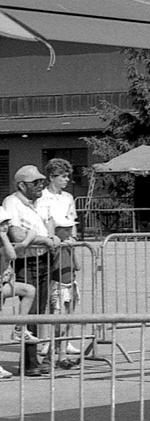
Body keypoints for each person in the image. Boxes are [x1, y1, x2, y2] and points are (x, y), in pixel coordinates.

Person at [2, 166, 70, 371]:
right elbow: (16, 234)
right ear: (22, 185)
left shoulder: (43, 202)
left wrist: (50, 240)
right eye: (35, 183)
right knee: (29, 311)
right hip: (25, 261)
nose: (40, 185)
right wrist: (46, 240)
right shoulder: (12, 203)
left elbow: (49, 224)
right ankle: (30, 363)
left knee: (39, 311)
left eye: (41, 181)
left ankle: (34, 361)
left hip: (44, 260)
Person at [37, 158, 80, 324]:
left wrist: (73, 240)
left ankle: (63, 338)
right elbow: (43, 222)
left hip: (66, 247)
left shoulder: (68, 197)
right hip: (48, 247)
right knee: (51, 294)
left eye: (67, 176)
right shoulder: (41, 198)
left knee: (68, 293)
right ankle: (48, 339)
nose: (67, 180)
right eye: (63, 176)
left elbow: (72, 220)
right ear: (52, 177)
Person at [0, 212, 39, 378]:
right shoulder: (3, 241)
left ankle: (19, 328)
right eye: (2, 224)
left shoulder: (6, 239)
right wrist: (3, 236)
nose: (5, 226)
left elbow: (33, 232)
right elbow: (12, 254)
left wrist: (24, 240)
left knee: (29, 290)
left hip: (2, 286)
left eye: (6, 223)